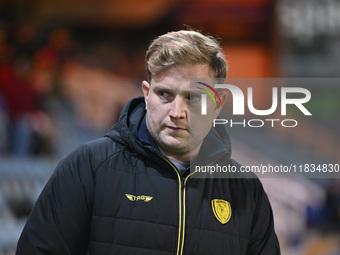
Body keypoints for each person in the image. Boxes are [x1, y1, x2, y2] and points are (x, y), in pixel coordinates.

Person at [16, 30, 281, 255]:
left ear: (217, 104)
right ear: (146, 94)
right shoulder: (88, 167)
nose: (177, 112)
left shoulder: (245, 189)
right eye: (165, 94)